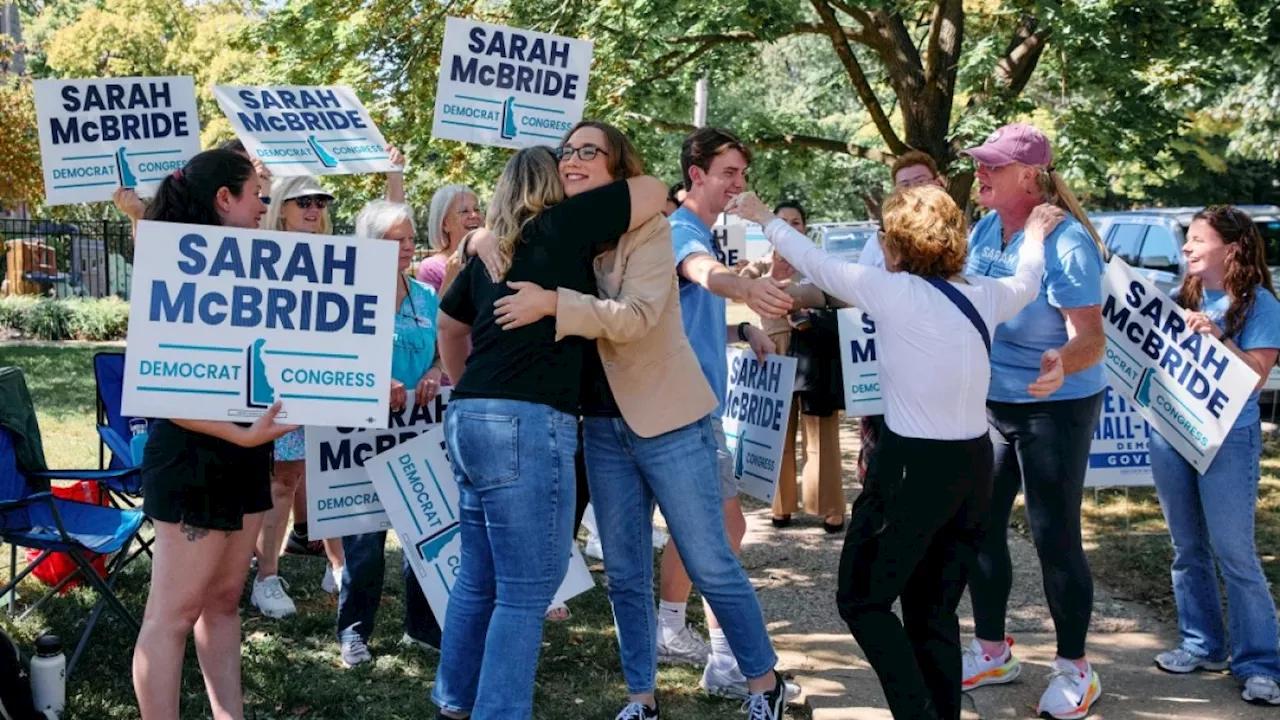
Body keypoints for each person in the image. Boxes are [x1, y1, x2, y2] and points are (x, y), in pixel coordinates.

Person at [484, 120, 794, 720]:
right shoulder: (558, 229)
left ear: (616, 166)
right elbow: (485, 247)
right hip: (599, 427)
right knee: (624, 572)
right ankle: (641, 699)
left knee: (709, 560)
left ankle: (763, 682)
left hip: (671, 420)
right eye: (566, 150)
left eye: (587, 152)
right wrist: (476, 243)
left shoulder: (651, 227)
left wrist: (555, 303)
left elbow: (638, 316)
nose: (572, 160)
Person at [728, 184, 1054, 720]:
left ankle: (917, 711)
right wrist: (1037, 234)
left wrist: (763, 215)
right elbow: (1027, 279)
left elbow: (817, 261)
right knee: (934, 613)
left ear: (895, 245)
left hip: (911, 468)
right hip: (973, 466)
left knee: (862, 599)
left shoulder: (893, 291)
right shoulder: (985, 293)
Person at [432, 146, 667, 718]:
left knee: (478, 580)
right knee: (524, 591)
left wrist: (472, 386)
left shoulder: (492, 249)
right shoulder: (564, 224)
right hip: (526, 421)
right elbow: (656, 189)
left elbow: (447, 321)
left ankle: (453, 702)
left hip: (469, 417)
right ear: (549, 186)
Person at [131, 149, 298, 720]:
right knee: (172, 615)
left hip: (247, 451)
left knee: (224, 602)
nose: (264, 206)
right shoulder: (169, 266)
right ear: (224, 199)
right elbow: (162, 389)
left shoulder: (257, 265)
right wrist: (243, 435)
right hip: (192, 457)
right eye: (256, 194)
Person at [958, 124, 1109, 720]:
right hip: (993, 401)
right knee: (979, 526)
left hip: (1057, 403)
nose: (980, 172)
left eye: (992, 165)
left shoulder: (1066, 241)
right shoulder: (986, 228)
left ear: (1029, 176)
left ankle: (1075, 668)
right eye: (980, 163)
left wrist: (1059, 364)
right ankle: (993, 651)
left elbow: (1092, 338)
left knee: (1053, 535)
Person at [657, 127, 796, 700]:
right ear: (697, 175)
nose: (739, 184)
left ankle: (672, 628)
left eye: (742, 173)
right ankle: (722, 660)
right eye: (729, 173)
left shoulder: (699, 230)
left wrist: (741, 326)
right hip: (687, 408)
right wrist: (741, 285)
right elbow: (698, 274)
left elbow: (689, 307)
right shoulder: (682, 230)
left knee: (702, 529)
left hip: (694, 404)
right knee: (726, 529)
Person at [1147, 206, 1280, 706]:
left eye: (1197, 239)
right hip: (1173, 434)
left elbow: (1256, 377)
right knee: (1187, 549)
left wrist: (1218, 334)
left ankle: (1261, 664)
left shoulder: (1260, 305)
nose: (1186, 248)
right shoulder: (1186, 294)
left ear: (1232, 248)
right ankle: (1202, 646)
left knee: (1235, 554)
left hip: (1228, 440)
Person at [335, 199, 446, 667]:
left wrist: (436, 373)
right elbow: (335, 357)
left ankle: (421, 629)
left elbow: (444, 354)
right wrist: (375, 382)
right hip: (362, 431)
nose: (407, 246)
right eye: (395, 239)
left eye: (409, 238)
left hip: (418, 429)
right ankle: (354, 631)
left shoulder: (425, 295)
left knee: (423, 527)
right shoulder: (347, 292)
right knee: (365, 541)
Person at [248, 173, 349, 618]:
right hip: (282, 383)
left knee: (332, 474)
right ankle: (266, 577)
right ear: (280, 209)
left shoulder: (341, 257)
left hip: (330, 383)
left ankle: (341, 567)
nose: (313, 208)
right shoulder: (260, 253)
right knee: (283, 481)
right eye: (302, 200)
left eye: (320, 201)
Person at [741, 201, 846, 531]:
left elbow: (841, 296)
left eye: (796, 222)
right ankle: (781, 505)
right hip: (773, 351)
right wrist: (773, 277)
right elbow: (737, 291)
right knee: (778, 431)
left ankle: (829, 505)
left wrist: (806, 294)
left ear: (805, 228)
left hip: (816, 349)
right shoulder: (758, 266)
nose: (789, 226)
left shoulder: (819, 263)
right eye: (781, 220)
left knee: (821, 428)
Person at [855, 152, 947, 496]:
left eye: (920, 182)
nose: (912, 191)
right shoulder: (876, 242)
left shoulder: (960, 235)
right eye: (903, 185)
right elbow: (859, 294)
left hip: (944, 379)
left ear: (938, 183)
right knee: (888, 472)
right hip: (889, 378)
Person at [417, 184, 482, 292]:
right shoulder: (431, 268)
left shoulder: (491, 257)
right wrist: (450, 279)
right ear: (444, 224)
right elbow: (430, 309)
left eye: (477, 209)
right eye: (464, 211)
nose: (474, 215)